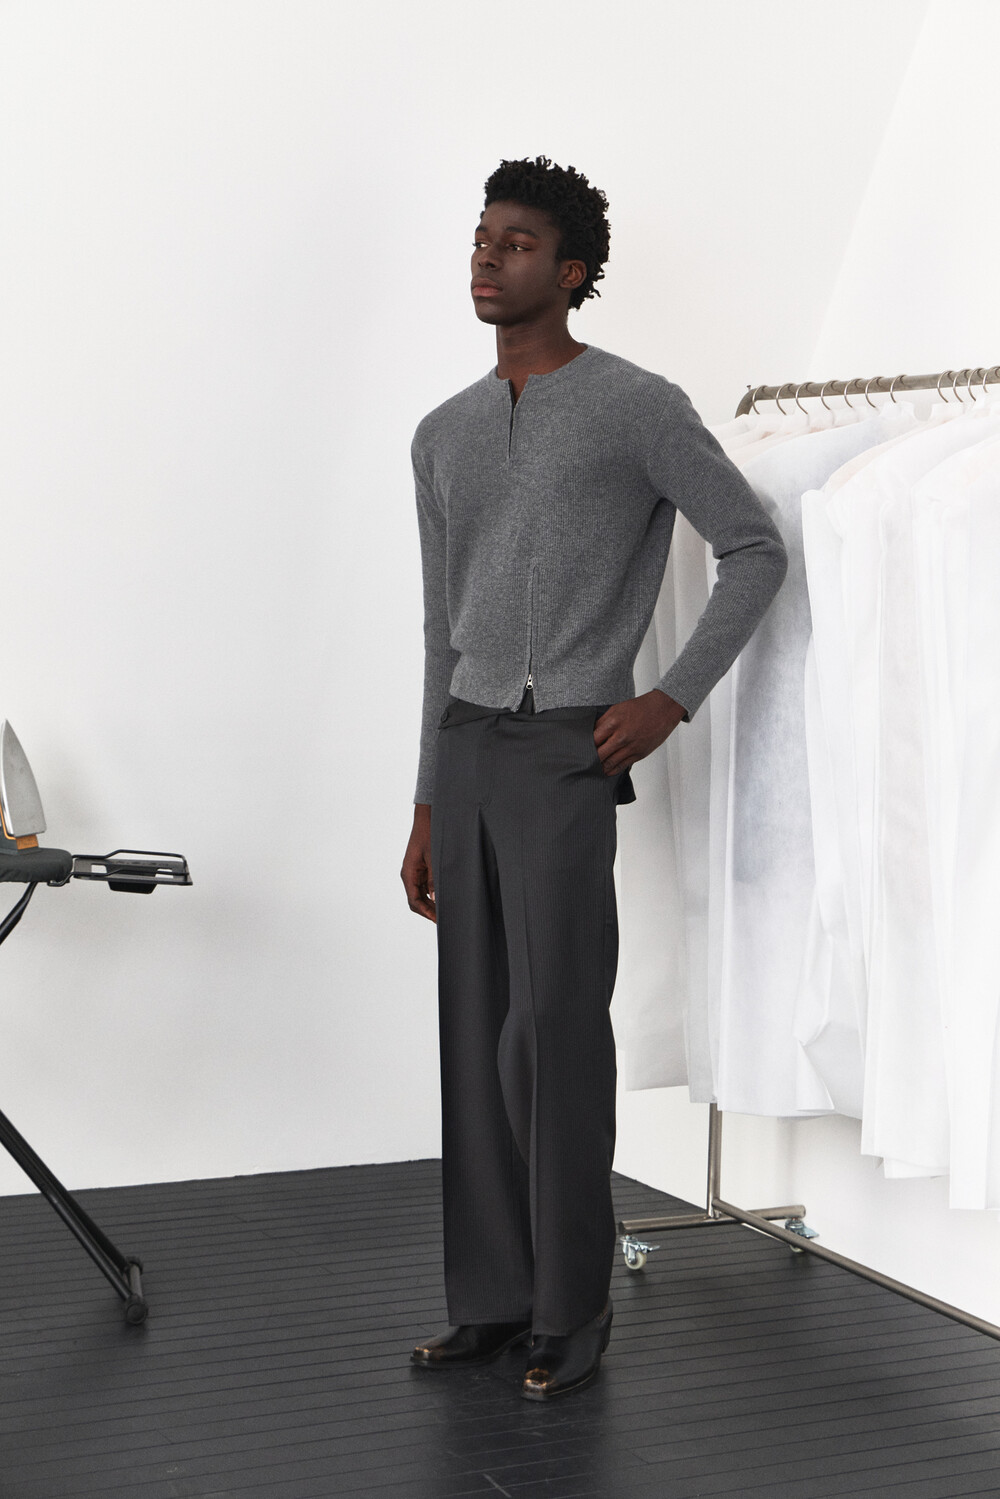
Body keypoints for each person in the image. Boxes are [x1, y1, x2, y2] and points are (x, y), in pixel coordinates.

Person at [400, 154, 787, 1399]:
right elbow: (439, 630)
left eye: (515, 242)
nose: (487, 255)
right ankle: (492, 1301)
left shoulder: (637, 407)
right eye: (481, 236)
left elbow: (752, 547)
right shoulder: (442, 432)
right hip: (466, 748)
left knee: (552, 1032)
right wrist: (424, 799)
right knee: (476, 1036)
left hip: (567, 747)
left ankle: (571, 1311)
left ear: (569, 272)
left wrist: (669, 695)